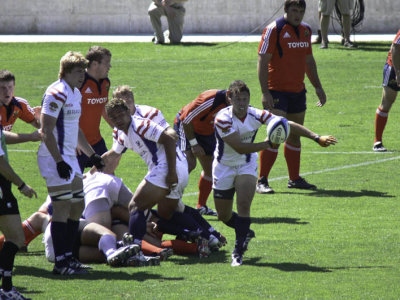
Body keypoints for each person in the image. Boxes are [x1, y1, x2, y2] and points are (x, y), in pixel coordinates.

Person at [212, 80, 337, 266]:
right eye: (237, 99)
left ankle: (238, 251)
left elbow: (286, 123)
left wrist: (316, 137)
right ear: (229, 98)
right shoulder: (223, 119)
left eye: (245, 99)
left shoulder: (255, 114)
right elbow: (239, 147)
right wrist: (268, 144)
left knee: (244, 204)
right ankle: (244, 230)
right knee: (223, 215)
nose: (241, 103)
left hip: (246, 165)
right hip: (224, 166)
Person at [38, 51, 105, 275]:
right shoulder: (56, 93)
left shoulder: (75, 93)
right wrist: (57, 161)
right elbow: (46, 131)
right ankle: (61, 262)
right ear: (65, 72)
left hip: (70, 158)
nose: (82, 76)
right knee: (62, 207)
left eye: (83, 72)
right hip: (53, 156)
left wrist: (91, 154)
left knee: (77, 205)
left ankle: (70, 257)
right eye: (78, 72)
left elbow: (75, 128)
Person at [257, 0, 327, 194]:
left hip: (298, 91)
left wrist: (318, 87)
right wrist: (265, 91)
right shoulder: (274, 29)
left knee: (295, 135)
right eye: (294, 10)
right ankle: (261, 180)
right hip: (276, 91)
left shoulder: (305, 30)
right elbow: (262, 61)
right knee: (276, 133)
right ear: (286, 10)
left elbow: (308, 60)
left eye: (301, 11)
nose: (298, 15)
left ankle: (294, 178)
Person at [102, 98, 188, 256]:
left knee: (135, 206)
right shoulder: (122, 132)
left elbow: (169, 140)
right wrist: (92, 169)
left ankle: (136, 247)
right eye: (113, 118)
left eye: (120, 115)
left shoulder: (140, 125)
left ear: (128, 112)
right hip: (172, 167)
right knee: (167, 213)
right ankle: (202, 234)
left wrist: (171, 173)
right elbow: (113, 153)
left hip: (168, 167)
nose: (117, 120)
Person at [0, 72, 38, 300]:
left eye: (9, 88)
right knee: (15, 238)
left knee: (15, 238)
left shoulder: (17, 105)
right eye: (2, 88)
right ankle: (6, 290)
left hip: (4, 181)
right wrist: (21, 184)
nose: (7, 92)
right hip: (2, 180)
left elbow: (38, 123)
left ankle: (6, 289)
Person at [174, 89, 231, 216]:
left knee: (211, 169)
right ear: (228, 96)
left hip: (206, 132)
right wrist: (194, 144)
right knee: (188, 163)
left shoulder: (238, 104)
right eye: (235, 100)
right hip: (186, 126)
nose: (238, 103)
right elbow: (185, 118)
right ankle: (170, 201)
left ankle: (201, 206)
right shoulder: (210, 99)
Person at [77, 46, 112, 172]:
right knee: (75, 187)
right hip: (77, 145)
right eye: (107, 63)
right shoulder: (79, 83)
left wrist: (118, 129)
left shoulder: (106, 83)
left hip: (97, 142)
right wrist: (73, 140)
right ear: (94, 64)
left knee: (109, 178)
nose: (110, 66)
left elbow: (104, 109)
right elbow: (65, 114)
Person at [373, 30, 400, 152]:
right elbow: (395, 47)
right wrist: (398, 72)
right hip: (394, 68)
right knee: (387, 101)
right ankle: (377, 141)